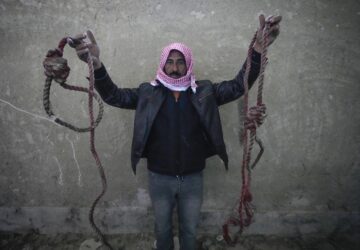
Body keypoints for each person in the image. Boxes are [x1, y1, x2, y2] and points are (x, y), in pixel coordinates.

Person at [71, 14, 281, 250]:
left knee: (189, 231)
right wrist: (96, 65)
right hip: (159, 178)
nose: (174, 67)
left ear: (188, 64)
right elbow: (113, 96)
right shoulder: (147, 93)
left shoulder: (204, 91)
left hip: (193, 178)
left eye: (180, 62)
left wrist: (258, 49)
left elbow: (236, 86)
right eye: (169, 61)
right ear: (162, 64)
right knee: (162, 231)